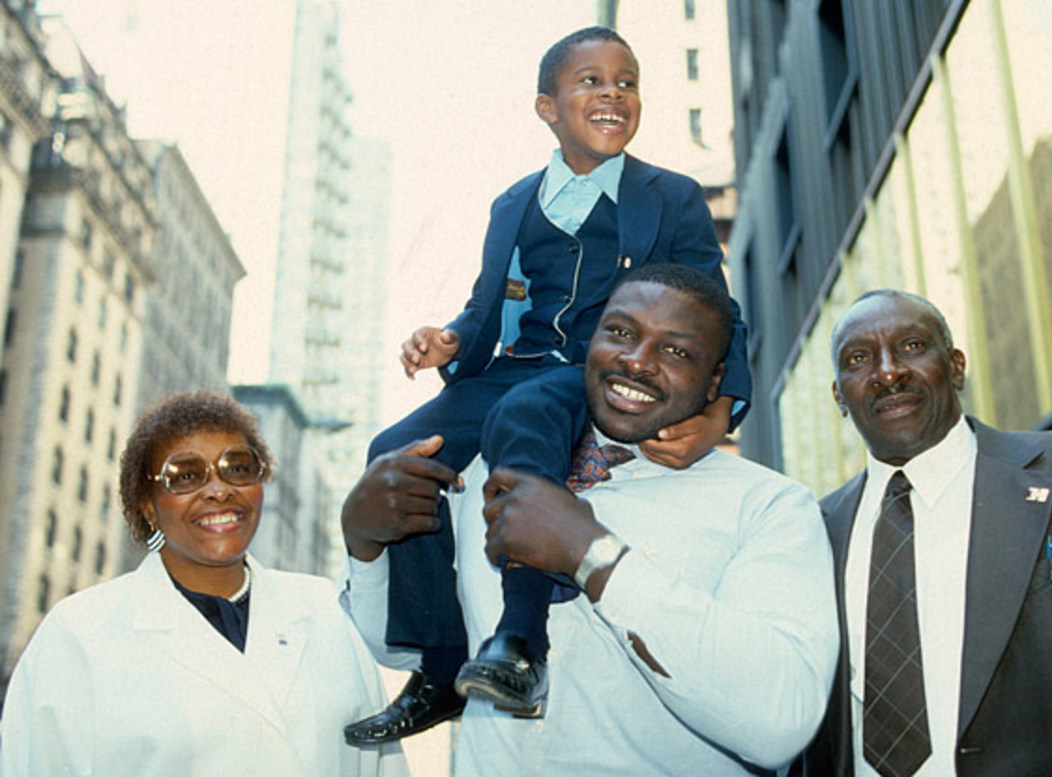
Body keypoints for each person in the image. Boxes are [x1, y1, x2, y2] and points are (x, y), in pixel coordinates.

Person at [345, 26, 752, 743]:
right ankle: (439, 665)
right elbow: (485, 307)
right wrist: (448, 339)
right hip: (514, 362)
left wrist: (723, 407)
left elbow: (720, 310)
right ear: (547, 107)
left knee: (526, 417)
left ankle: (522, 639)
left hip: (602, 371)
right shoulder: (513, 203)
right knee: (397, 449)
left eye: (625, 82)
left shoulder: (672, 196)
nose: (612, 94)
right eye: (590, 81)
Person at [341, 265, 837, 774]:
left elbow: (781, 721)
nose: (637, 362)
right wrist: (367, 547)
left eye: (675, 350)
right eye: (620, 333)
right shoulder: (481, 473)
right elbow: (404, 651)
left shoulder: (768, 506)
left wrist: (591, 554)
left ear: (715, 381)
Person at [799, 289, 1052, 776]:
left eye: (911, 347)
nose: (888, 373)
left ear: (956, 366)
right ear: (839, 394)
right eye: (860, 359)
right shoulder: (813, 533)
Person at [0, 391, 407, 777]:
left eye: (238, 467)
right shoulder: (78, 633)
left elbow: (381, 764)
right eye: (185, 475)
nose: (218, 490)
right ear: (148, 505)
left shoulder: (326, 610)